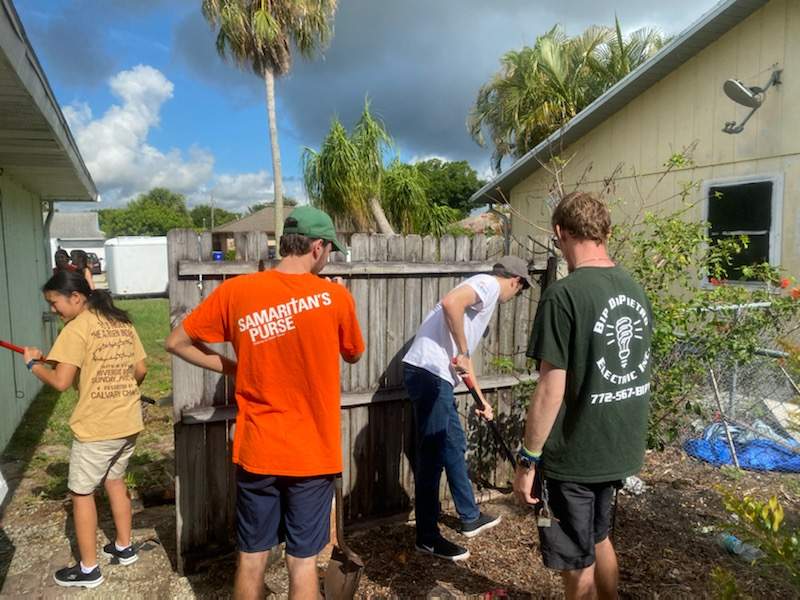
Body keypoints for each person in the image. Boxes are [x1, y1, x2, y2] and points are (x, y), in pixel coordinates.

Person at [165, 206, 364, 600]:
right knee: (303, 561)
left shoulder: (238, 291)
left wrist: (232, 367)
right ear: (318, 247)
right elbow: (354, 354)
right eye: (329, 252)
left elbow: (176, 342)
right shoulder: (334, 296)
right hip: (312, 453)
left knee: (252, 557)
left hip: (258, 448)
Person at [513, 191, 653, 600]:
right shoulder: (632, 286)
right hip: (616, 448)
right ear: (604, 232)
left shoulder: (564, 294)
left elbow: (550, 387)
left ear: (560, 232)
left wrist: (528, 460)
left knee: (577, 565)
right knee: (599, 538)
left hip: (574, 456)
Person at [22, 270, 147, 589]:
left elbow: (61, 382)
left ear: (75, 298)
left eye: (55, 302)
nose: (53, 309)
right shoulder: (120, 321)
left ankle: (89, 569)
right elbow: (141, 370)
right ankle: (123, 547)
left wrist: (33, 365)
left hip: (97, 427)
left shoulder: (77, 328)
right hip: (128, 421)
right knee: (115, 480)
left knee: (81, 493)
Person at [402, 255, 532, 561]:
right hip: (428, 373)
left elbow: (465, 364)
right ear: (515, 281)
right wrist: (461, 350)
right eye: (520, 290)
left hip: (435, 376)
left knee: (454, 444)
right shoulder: (487, 285)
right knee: (431, 455)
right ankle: (427, 538)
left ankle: (469, 516)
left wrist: (482, 399)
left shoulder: (480, 302)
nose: (515, 296)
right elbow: (450, 303)